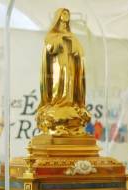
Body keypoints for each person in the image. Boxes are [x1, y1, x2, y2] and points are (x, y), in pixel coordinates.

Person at [36, 7, 90, 137]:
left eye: (68, 13)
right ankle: (57, 103)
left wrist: (71, 41)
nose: (66, 15)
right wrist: (61, 39)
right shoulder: (52, 35)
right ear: (59, 16)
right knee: (58, 83)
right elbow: (50, 46)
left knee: (70, 83)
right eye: (64, 13)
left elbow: (80, 51)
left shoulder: (72, 36)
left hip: (70, 63)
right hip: (57, 64)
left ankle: (70, 103)